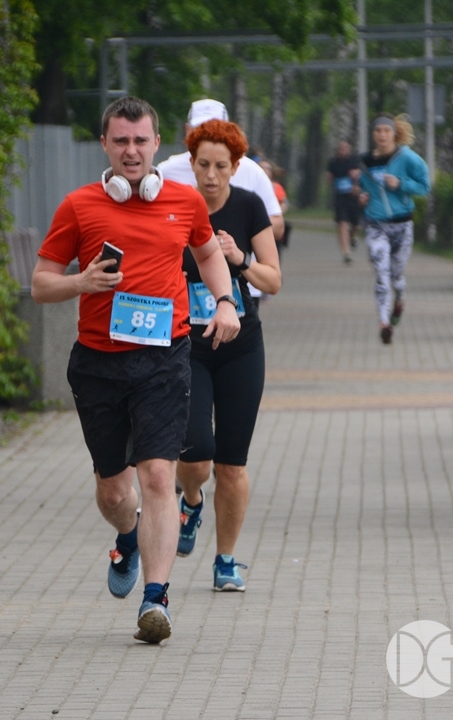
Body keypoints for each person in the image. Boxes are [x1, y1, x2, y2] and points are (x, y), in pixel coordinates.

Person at [30, 97, 240, 644]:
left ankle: (156, 599)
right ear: (105, 144)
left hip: (165, 358)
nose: (131, 150)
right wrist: (81, 283)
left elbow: (207, 254)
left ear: (156, 144)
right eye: (120, 140)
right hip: (98, 363)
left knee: (159, 477)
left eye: (140, 140)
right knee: (115, 494)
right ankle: (127, 536)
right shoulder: (78, 206)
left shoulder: (184, 200)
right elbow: (40, 284)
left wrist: (224, 302)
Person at [175, 119, 281, 592]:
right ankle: (191, 500)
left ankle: (225, 560)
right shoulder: (177, 206)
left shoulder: (249, 206)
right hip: (189, 346)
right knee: (197, 452)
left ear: (236, 167)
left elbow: (273, 279)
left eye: (221, 166)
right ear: (191, 164)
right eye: (203, 165)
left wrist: (240, 260)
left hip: (241, 347)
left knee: (232, 463)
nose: (211, 175)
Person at [158, 99, 285, 244]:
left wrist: (238, 227)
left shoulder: (252, 171)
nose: (208, 134)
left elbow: (278, 226)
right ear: (187, 131)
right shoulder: (167, 171)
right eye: (200, 129)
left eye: (221, 166)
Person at [352, 115, 430, 345]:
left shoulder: (407, 158)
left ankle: (400, 299)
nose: (382, 135)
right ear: (373, 134)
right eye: (378, 131)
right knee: (381, 274)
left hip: (402, 225)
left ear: (394, 133)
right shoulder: (365, 161)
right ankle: (384, 323)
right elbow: (363, 188)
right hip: (376, 225)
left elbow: (424, 186)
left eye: (387, 130)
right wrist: (362, 196)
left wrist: (401, 184)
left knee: (396, 275)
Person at [326, 140, 361, 264]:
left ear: (349, 150)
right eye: (340, 149)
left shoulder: (354, 161)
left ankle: (352, 236)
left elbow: (360, 174)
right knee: (342, 223)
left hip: (353, 196)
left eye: (345, 148)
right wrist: (329, 178)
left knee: (355, 224)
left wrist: (356, 181)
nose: (342, 151)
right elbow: (329, 176)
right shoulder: (333, 162)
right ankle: (346, 253)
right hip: (340, 197)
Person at [258, 159, 291, 253]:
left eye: (267, 168)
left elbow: (284, 204)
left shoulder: (276, 187)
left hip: (271, 223)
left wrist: (275, 212)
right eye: (261, 167)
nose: (264, 170)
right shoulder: (251, 185)